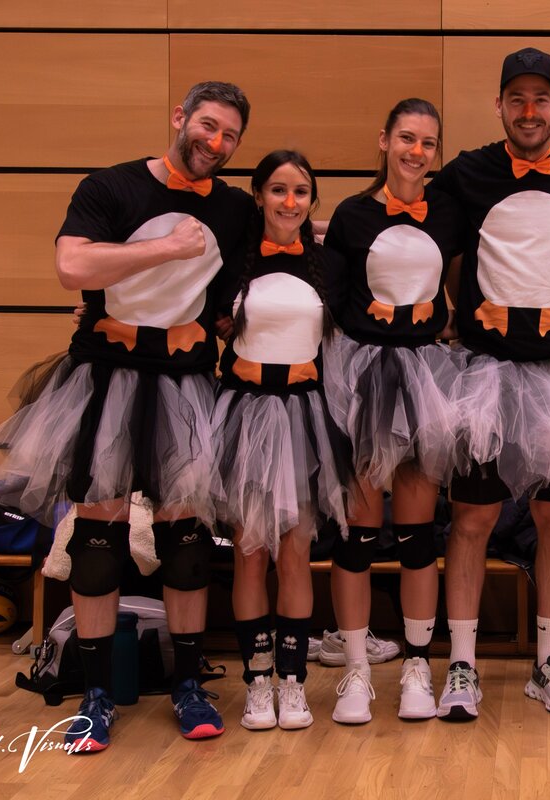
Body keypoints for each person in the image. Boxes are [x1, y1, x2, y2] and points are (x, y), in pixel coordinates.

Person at [0, 82, 254, 751]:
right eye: (207, 125)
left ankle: (187, 685)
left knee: (186, 545)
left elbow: (265, 258)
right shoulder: (112, 186)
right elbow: (73, 266)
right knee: (96, 542)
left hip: (186, 384)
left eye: (230, 135)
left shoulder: (234, 207)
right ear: (180, 117)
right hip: (105, 381)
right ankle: (94, 697)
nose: (215, 142)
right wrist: (167, 248)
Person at [428, 47, 550, 719]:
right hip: (484, 374)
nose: (530, 111)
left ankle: (549, 660)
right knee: (472, 518)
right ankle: (462, 664)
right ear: (499, 106)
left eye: (541, 99)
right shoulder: (468, 173)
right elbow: (417, 229)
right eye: (517, 98)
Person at [320, 99, 465, 723]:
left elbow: (461, 289)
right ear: (384, 141)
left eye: (428, 143)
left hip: (424, 378)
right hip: (361, 379)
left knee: (417, 536)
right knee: (356, 536)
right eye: (407, 138)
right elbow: (326, 298)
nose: (417, 151)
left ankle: (416, 668)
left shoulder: (448, 214)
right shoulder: (352, 215)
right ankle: (356, 669)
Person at [215, 150, 350, 732]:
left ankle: (293, 684)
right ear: (258, 196)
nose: (289, 201)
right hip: (242, 417)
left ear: (312, 200)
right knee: (249, 554)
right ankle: (257, 683)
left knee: (295, 555)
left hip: (304, 419)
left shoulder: (331, 267)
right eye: (277, 189)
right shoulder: (232, 263)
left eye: (300, 191)